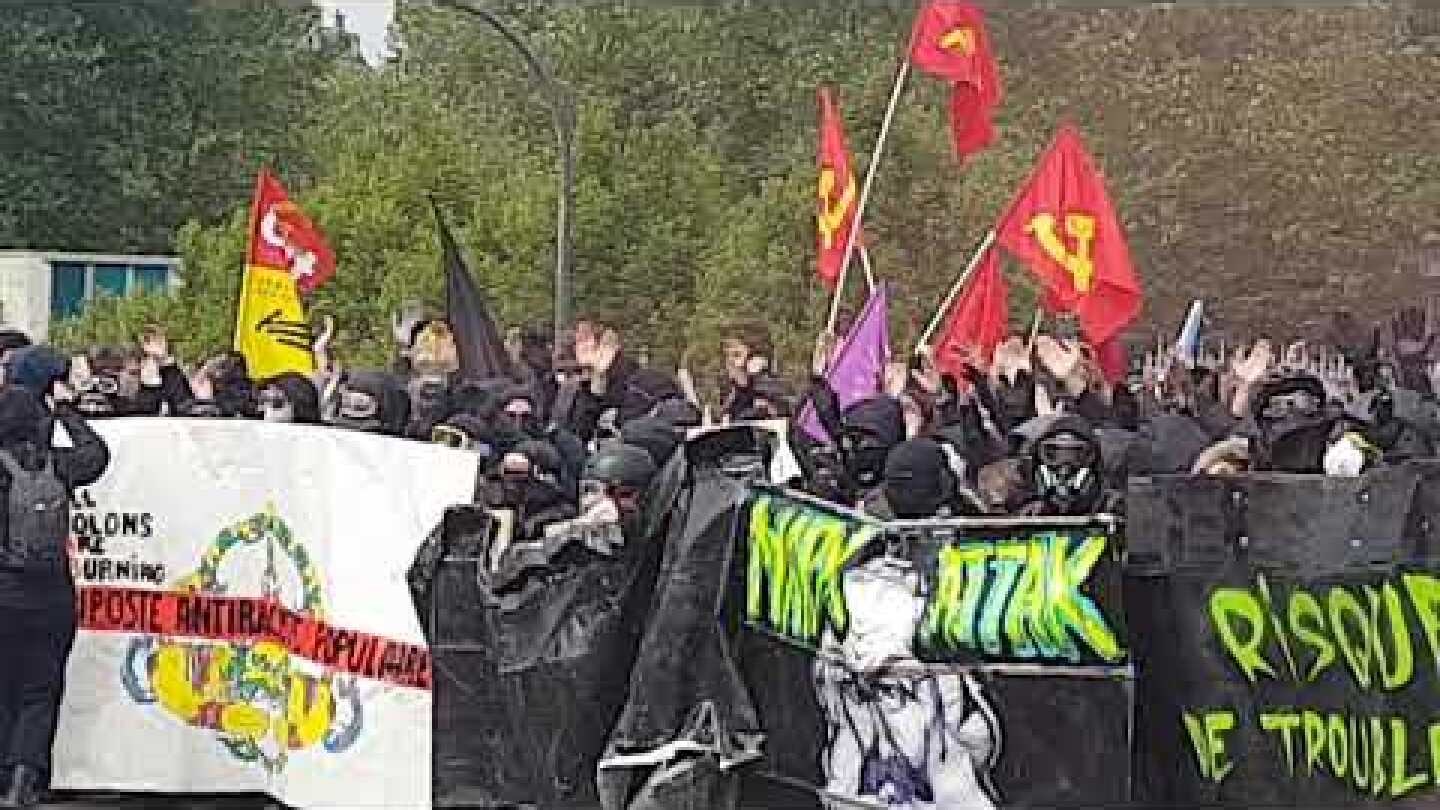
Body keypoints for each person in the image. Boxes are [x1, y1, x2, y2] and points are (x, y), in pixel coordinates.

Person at [0, 349, 110, 808]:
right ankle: (25, 777)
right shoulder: (59, 465)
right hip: (51, 594)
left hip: (3, 590)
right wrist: (67, 409)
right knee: (41, 689)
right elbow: (98, 454)